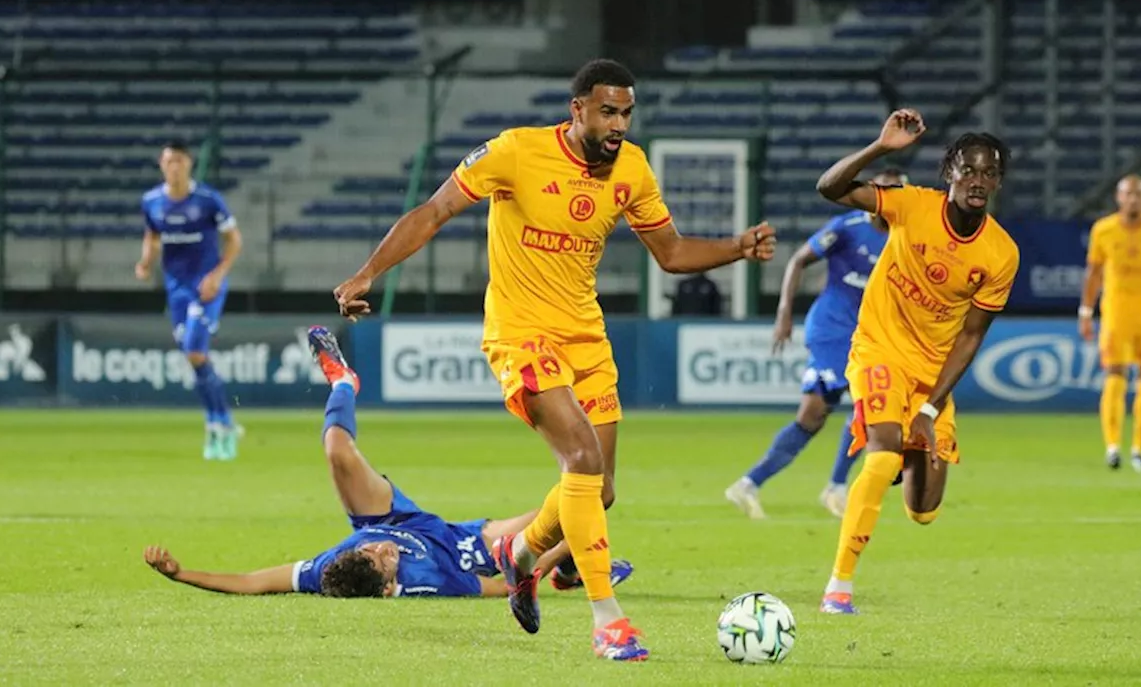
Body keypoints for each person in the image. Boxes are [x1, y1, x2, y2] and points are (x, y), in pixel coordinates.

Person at [331, 59, 776, 660]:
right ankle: (608, 622)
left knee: (601, 490)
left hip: (586, 338)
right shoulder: (515, 152)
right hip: (521, 333)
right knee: (582, 459)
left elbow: (670, 253)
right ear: (579, 110)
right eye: (608, 111)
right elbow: (434, 212)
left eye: (627, 113)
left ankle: (518, 554)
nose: (619, 124)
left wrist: (736, 248)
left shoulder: (633, 170)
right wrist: (366, 274)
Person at [143, 327, 635, 598]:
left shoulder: (330, 568)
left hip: (396, 517)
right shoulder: (432, 582)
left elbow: (253, 581)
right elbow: (508, 586)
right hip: (470, 547)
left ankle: (342, 383)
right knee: (585, 492)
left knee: (337, 450)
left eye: (368, 551)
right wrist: (544, 566)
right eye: (382, 560)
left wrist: (184, 574)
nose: (379, 550)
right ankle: (573, 567)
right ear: (387, 588)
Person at [812, 111, 1020, 615]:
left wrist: (930, 408)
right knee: (881, 455)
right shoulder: (910, 206)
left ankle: (909, 443)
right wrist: (880, 148)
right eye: (968, 170)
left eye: (988, 173)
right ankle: (839, 585)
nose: (978, 181)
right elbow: (829, 188)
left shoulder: (1000, 253)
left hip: (932, 374)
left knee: (923, 512)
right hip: (880, 349)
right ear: (949, 171)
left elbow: (971, 335)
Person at [725, 169, 903, 521]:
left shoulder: (905, 237)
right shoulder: (847, 228)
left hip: (867, 335)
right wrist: (784, 312)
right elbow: (798, 260)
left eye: (896, 192)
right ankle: (835, 488)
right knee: (868, 407)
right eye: (882, 191)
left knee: (813, 416)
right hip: (832, 330)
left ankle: (749, 484)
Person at [135, 140, 243, 461]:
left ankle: (219, 424)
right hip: (177, 291)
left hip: (207, 287)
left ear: (189, 164)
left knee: (195, 350)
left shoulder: (208, 200)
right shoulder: (152, 201)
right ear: (161, 164)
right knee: (195, 357)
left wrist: (218, 275)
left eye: (180, 161)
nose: (175, 167)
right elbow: (152, 236)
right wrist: (145, 262)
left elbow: (234, 240)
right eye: (169, 161)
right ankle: (220, 421)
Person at [1079, 175, 1141, 472]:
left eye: (1138, 194)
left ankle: (1139, 448)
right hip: (1116, 313)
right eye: (1128, 194)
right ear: (1118, 198)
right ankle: (1112, 447)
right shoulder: (1104, 229)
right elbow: (1094, 273)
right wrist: (1086, 312)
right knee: (1115, 372)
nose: (1133, 199)